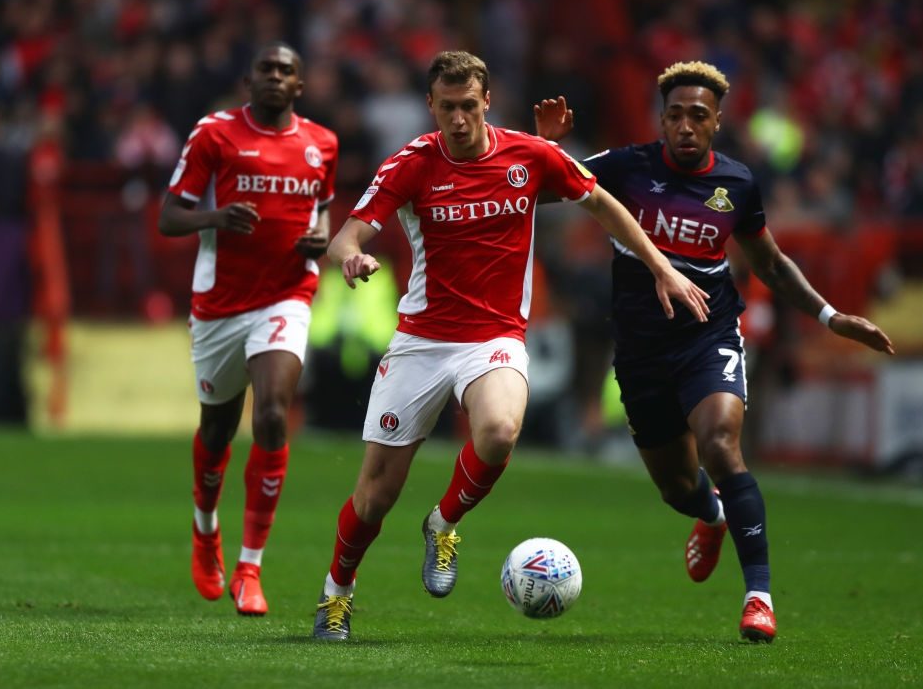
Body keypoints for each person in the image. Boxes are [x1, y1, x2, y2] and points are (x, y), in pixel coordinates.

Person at [311, 50, 711, 641]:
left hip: (494, 337)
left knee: (499, 431)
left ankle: (443, 523)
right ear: (430, 105)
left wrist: (661, 267)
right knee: (374, 498)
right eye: (447, 107)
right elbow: (345, 236)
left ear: (487, 101)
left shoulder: (529, 154)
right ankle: (336, 596)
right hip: (422, 340)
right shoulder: (411, 163)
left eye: (468, 106)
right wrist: (353, 257)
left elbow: (603, 204)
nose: (458, 119)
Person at [533, 61, 895, 643]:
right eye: (675, 115)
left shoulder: (737, 183)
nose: (685, 125)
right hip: (642, 351)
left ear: (717, 122)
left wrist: (832, 316)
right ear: (662, 120)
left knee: (722, 446)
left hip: (709, 336)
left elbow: (770, 263)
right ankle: (713, 514)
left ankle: (759, 598)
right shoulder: (626, 167)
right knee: (678, 487)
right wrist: (547, 148)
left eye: (697, 115)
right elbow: (538, 188)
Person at [158, 42, 338, 616]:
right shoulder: (214, 135)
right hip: (220, 304)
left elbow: (323, 207)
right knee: (216, 431)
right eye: (267, 69)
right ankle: (205, 527)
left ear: (299, 85)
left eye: (287, 70)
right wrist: (216, 217)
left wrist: (320, 237)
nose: (276, 77)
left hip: (287, 295)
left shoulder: (322, 143)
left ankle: (249, 568)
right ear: (249, 80)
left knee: (273, 414)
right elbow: (169, 216)